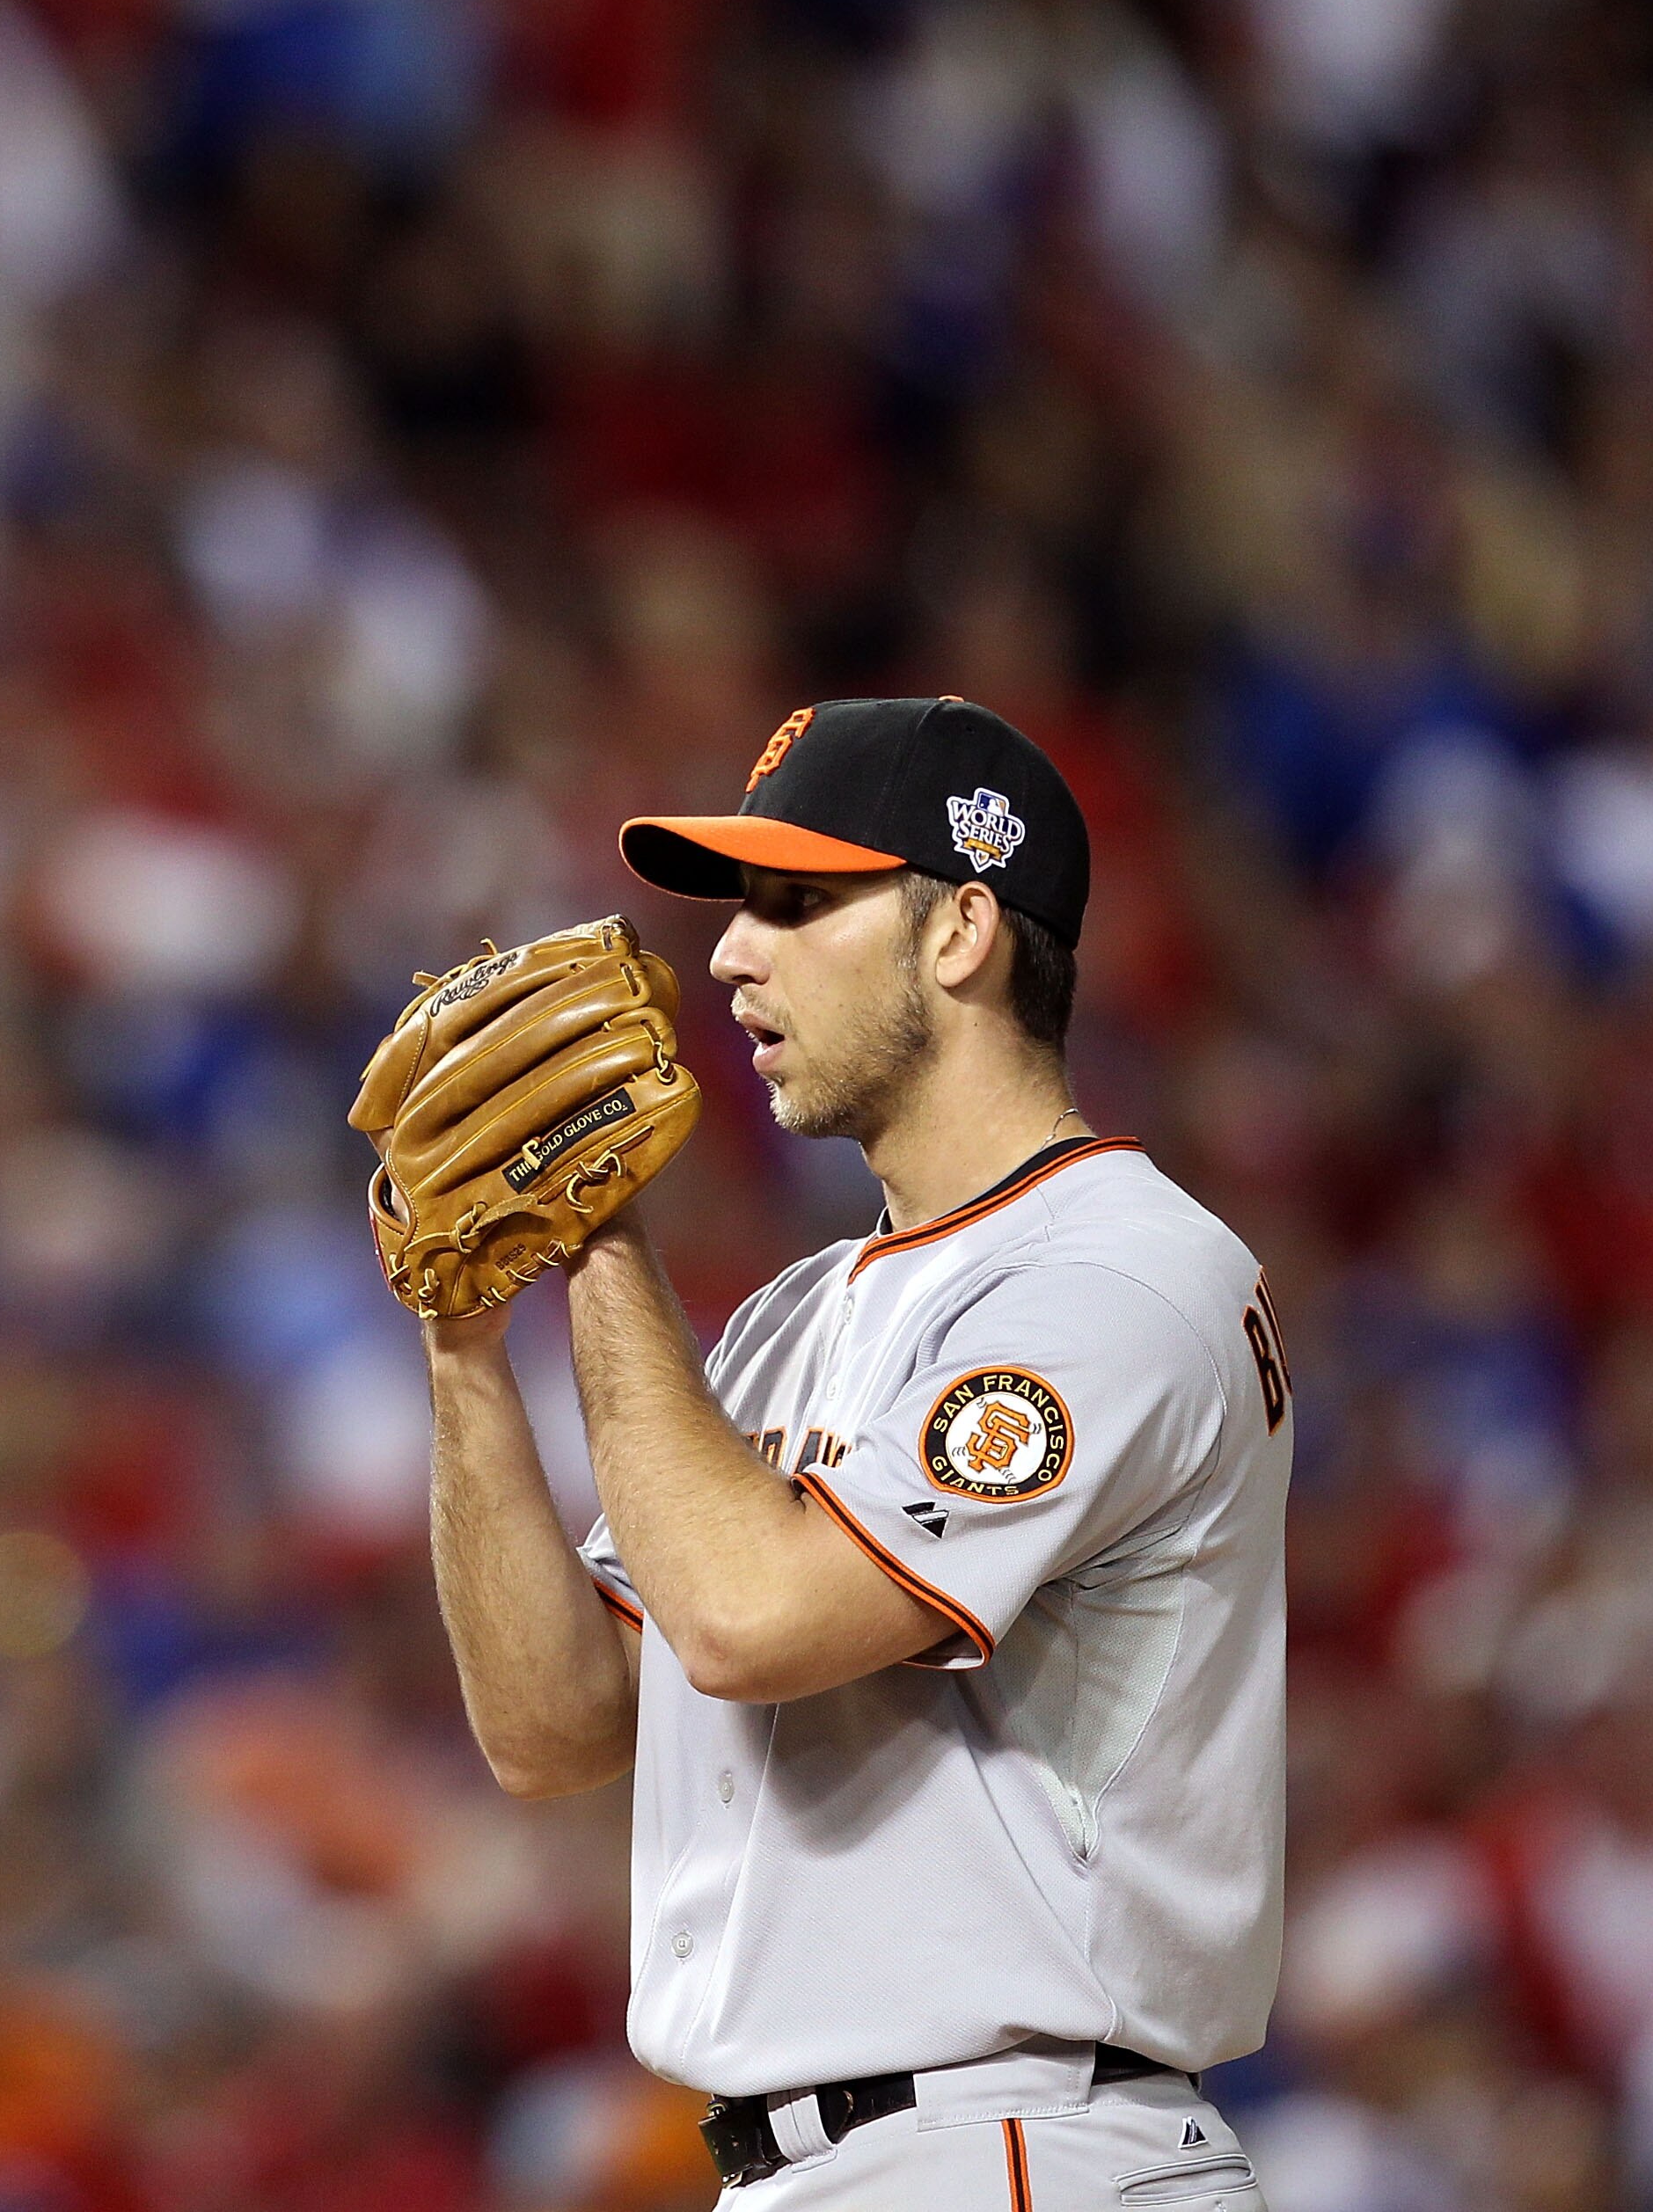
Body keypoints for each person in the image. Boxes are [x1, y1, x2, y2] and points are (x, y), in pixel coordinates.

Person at [411, 697, 1289, 2208]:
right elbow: (552, 1728)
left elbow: (753, 1623)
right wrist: (466, 1343)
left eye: (798, 903)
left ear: (960, 933)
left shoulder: (1118, 1276)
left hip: (1018, 2146)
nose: (732, 956)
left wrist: (600, 1239)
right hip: (836, 2162)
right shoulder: (791, 1319)